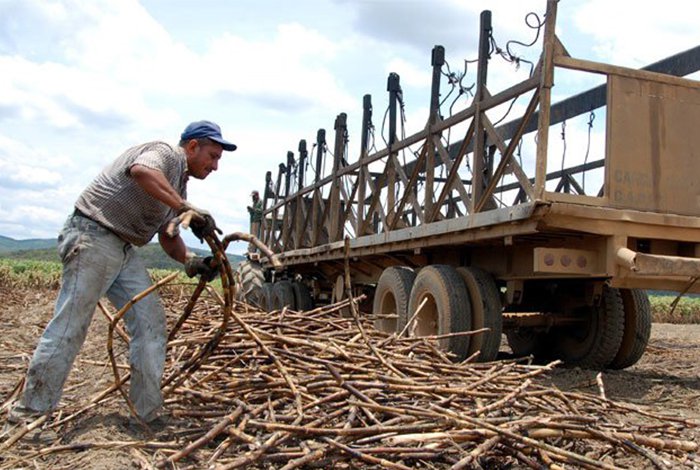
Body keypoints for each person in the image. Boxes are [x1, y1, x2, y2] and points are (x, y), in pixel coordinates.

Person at [8, 120, 236, 425]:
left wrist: (191, 261)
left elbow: (167, 236)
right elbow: (141, 171)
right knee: (70, 327)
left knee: (151, 322)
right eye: (213, 155)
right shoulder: (166, 153)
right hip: (93, 237)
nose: (215, 166)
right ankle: (29, 415)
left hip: (123, 249)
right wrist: (184, 207)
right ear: (192, 146)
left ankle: (146, 414)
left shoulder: (177, 186)